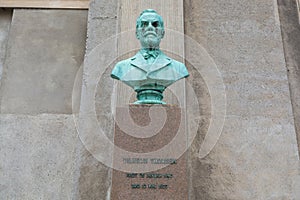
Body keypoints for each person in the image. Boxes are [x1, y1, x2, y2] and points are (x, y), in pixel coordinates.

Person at [111, 9, 189, 104]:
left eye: (155, 24)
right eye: (144, 24)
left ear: (162, 33)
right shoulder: (121, 68)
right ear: (137, 33)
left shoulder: (179, 68)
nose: (150, 27)